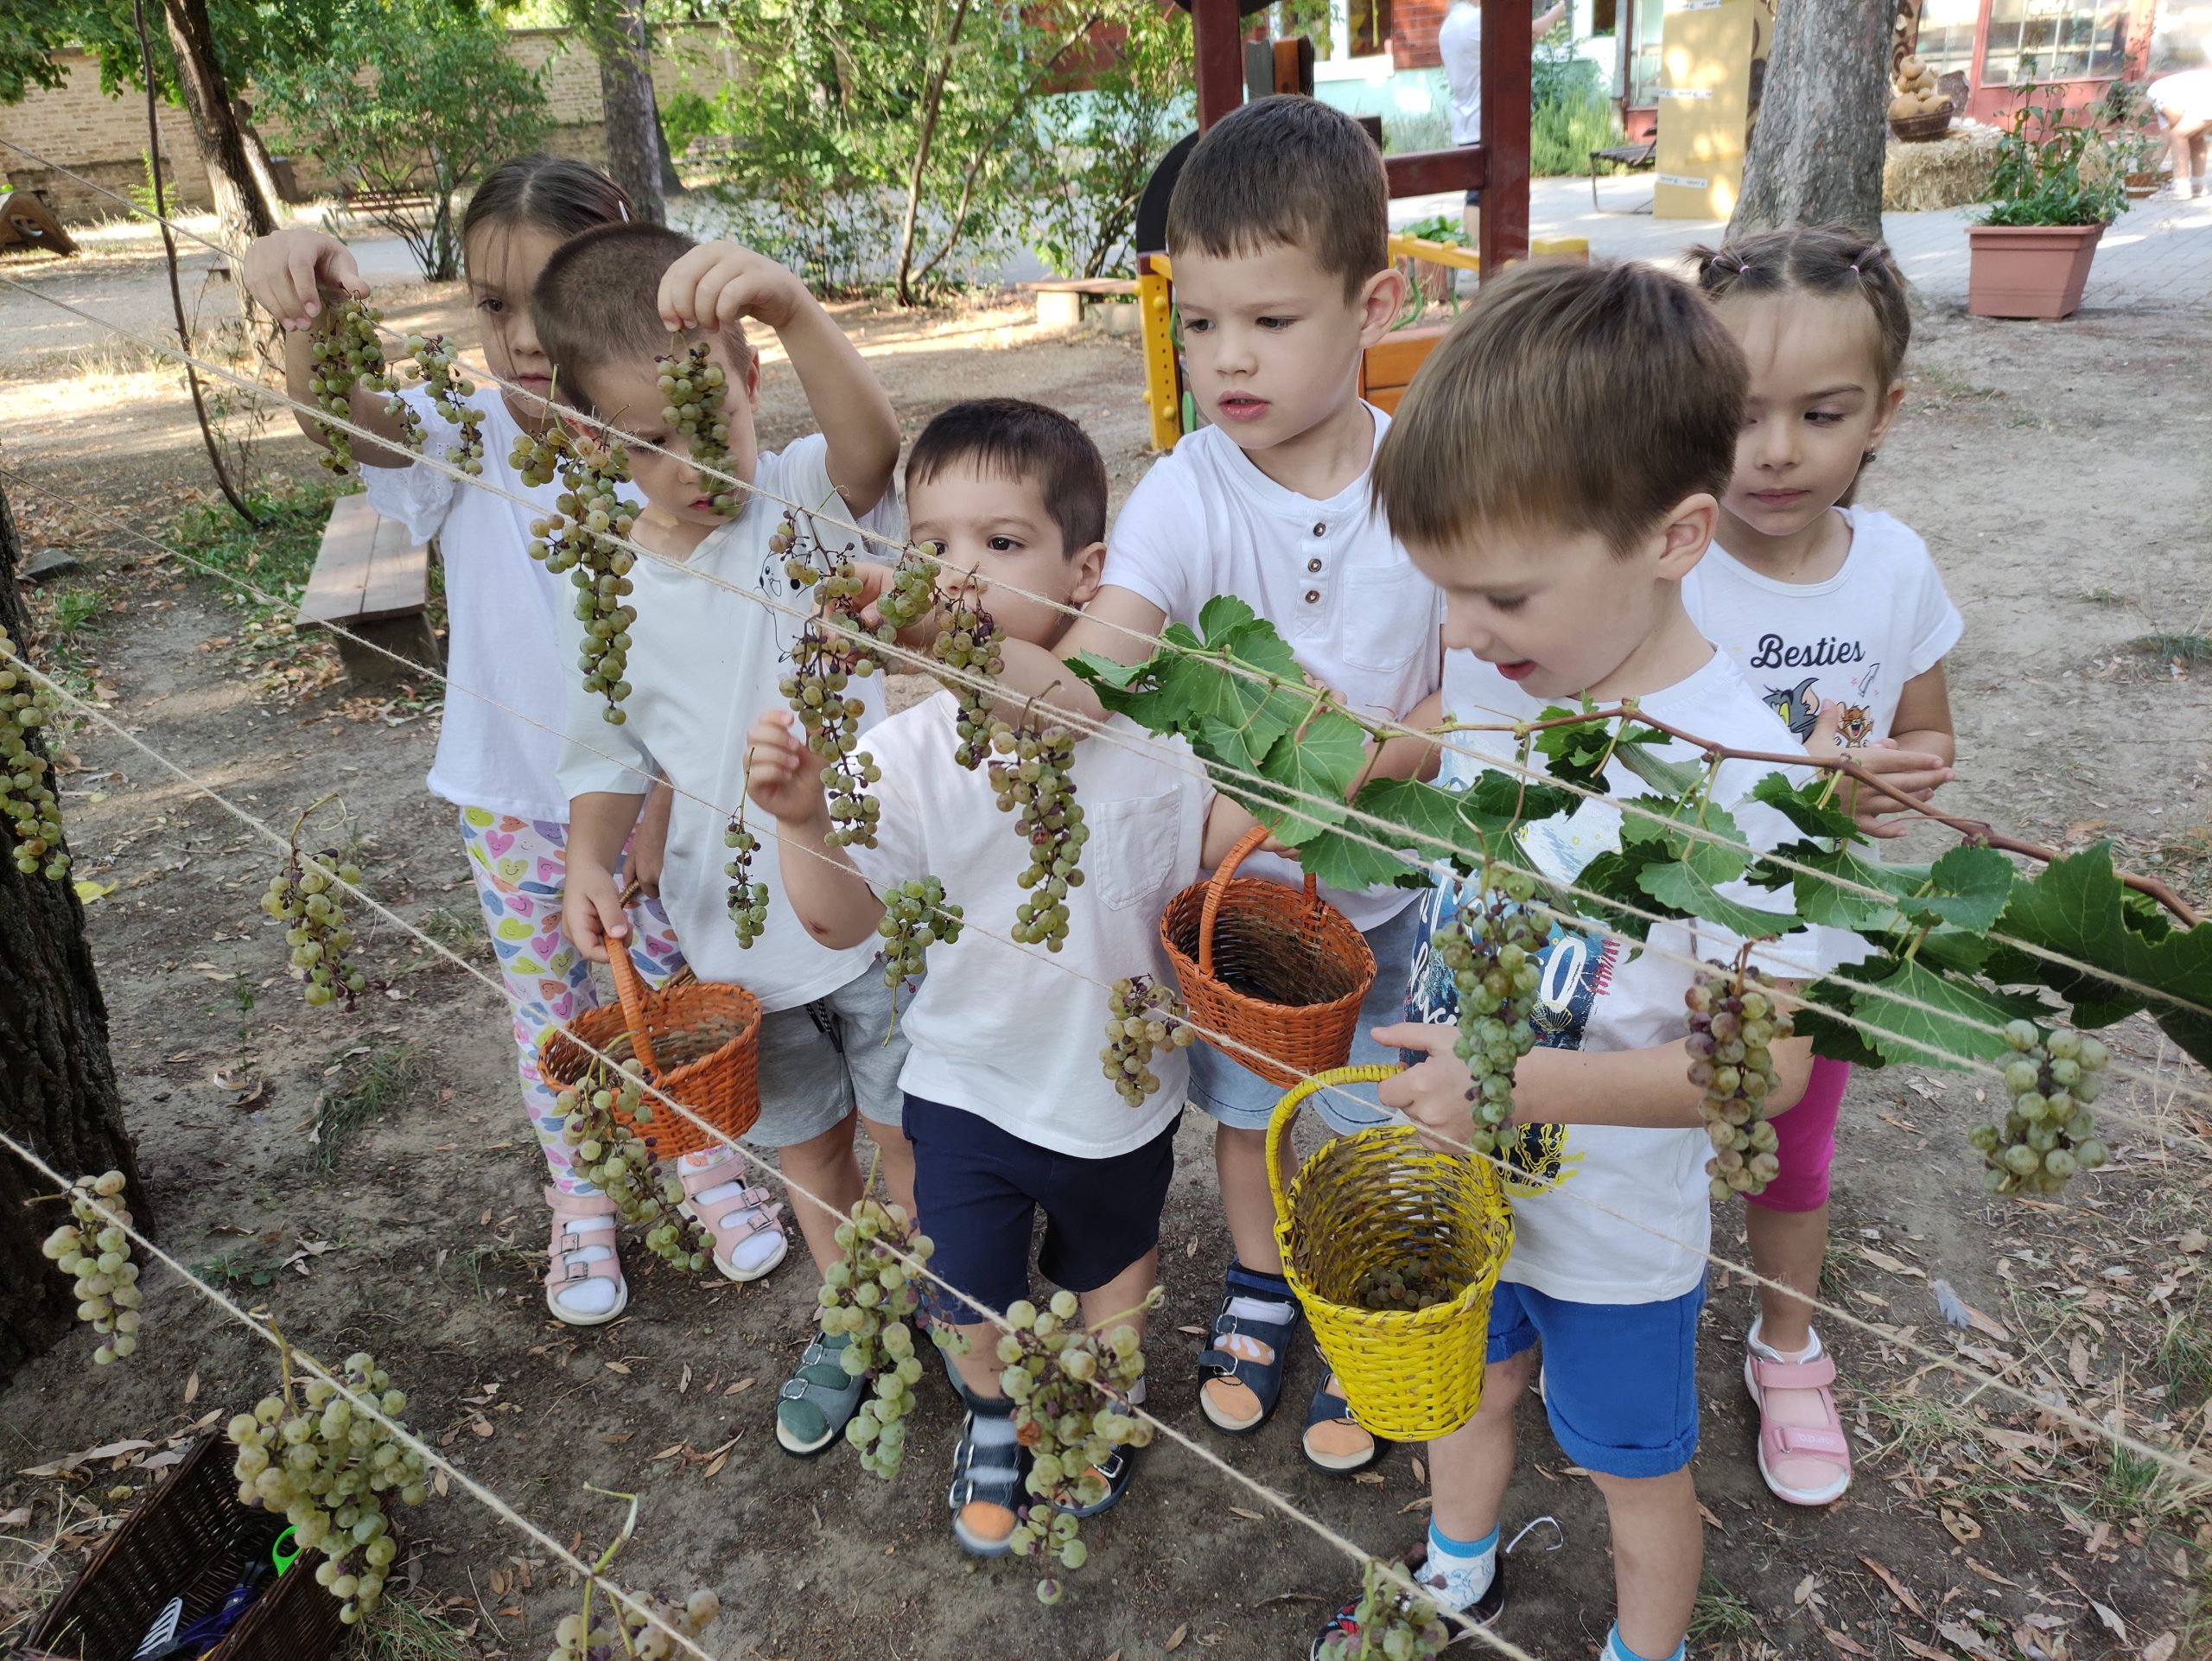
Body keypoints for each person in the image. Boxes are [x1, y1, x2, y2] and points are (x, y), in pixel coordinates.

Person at [1312, 258, 1837, 1661]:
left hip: (1614, 1232)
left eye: (1499, 597)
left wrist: (1519, 1086)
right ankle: (1457, 1561)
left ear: (1674, 537)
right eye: (1447, 597)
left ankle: (1640, 1646)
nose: (1466, 635)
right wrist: (1369, 749)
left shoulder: (1748, 781)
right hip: (1463, 1177)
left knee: (1627, 1460)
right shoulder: (1513, 671)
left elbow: (1768, 1065)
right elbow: (1454, 712)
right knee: (1470, 1389)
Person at [989, 95, 1446, 1473]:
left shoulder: (1431, 479)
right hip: (1243, 913)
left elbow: (1476, 692)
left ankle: (1356, 1302)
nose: (1226, 358)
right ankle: (1259, 1285)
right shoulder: (1191, 489)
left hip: (1402, 893)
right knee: (1251, 1119)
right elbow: (1110, 642)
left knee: (1375, 1128)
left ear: (1374, 302)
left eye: (1270, 320)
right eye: (1198, 321)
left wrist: (1352, 766)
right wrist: (1030, 683)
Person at [744, 397, 1248, 1556]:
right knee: (960, 1287)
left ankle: (1099, 1410)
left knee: (1115, 1267)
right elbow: (838, 921)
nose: (956, 577)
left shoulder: (1157, 732)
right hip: (964, 1088)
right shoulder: (906, 759)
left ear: (1090, 572)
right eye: (930, 547)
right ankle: (995, 1412)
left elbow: (1201, 809)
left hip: (1116, 1099)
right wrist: (806, 818)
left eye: (999, 543)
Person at [239, 157, 693, 1330]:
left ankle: (706, 1157)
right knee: (552, 1013)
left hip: (657, 801)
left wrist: (678, 799)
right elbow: (352, 429)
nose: (525, 338)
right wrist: (309, 318)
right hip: (507, 801)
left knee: (673, 992)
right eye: (494, 307)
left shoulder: (662, 441)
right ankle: (581, 1192)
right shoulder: (464, 430)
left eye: (553, 299)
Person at [531, 220, 914, 1457]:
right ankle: (856, 1315)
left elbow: (874, 448)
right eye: (651, 442)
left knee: (912, 1130)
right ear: (593, 444)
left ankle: (950, 1305)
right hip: (732, 952)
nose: (697, 462)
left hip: (876, 909)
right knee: (810, 1150)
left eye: (715, 415)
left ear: (751, 383)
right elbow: (605, 755)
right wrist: (593, 856)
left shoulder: (800, 504)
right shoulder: (606, 582)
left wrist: (794, 310)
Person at [1685, 224, 1961, 1508]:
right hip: (1669, 929)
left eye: (1822, 412)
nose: (1775, 449)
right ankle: (1611, 1321)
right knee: (1643, 1139)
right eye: (1738, 413)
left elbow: (1927, 733)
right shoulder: (1661, 563)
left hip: (1822, 946)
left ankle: (1786, 1346)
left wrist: (1883, 775)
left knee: (1794, 1160)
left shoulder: (1896, 570)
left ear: (1884, 414)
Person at [1437, 0, 1569, 246]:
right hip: (1489, 123)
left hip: (1467, 123)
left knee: (1477, 193)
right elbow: (1524, 32)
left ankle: (1476, 258)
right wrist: (1554, 14)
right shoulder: (1475, 22)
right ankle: (1482, 259)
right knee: (1489, 195)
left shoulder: (1449, 26)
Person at [2147, 66, 2212, 198]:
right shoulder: (2166, 92)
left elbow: (2176, 116)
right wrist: (2149, 170)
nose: (2134, 118)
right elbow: (2165, 140)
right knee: (2191, 136)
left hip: (2207, 99)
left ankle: (2180, 187)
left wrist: (2148, 170)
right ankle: (2197, 185)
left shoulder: (2153, 92)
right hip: (2206, 100)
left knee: (2179, 134)